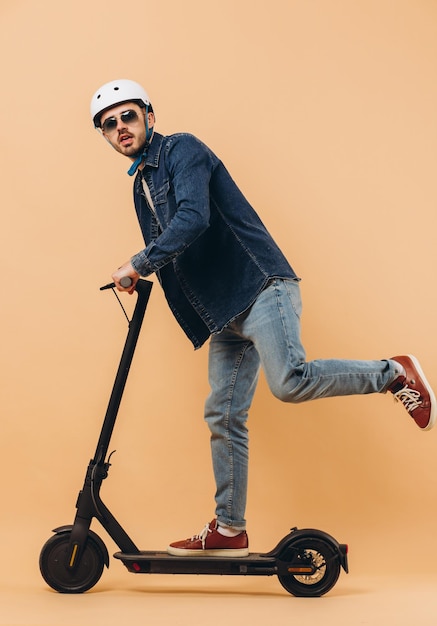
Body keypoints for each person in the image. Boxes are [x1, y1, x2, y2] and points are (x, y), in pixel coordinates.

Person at [90, 79, 436, 558]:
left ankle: (394, 372)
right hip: (222, 313)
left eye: (127, 116)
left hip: (259, 287)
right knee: (223, 413)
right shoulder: (142, 185)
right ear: (105, 137)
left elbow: (192, 218)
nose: (120, 128)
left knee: (289, 381)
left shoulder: (182, 150)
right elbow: (171, 250)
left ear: (149, 115)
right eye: (109, 125)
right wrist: (145, 275)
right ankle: (230, 529)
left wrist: (138, 263)